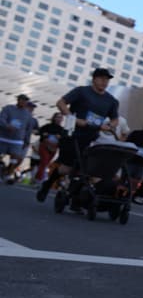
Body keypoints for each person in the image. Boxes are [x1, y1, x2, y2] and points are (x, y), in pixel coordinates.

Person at [36, 69, 120, 201]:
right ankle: (47, 185)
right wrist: (72, 118)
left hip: (92, 139)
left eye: (107, 79)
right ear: (94, 79)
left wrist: (110, 126)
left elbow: (115, 119)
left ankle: (77, 198)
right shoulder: (81, 91)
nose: (104, 82)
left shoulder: (111, 101)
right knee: (66, 169)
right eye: (101, 78)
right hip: (73, 134)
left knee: (88, 170)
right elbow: (61, 103)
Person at [0, 93, 37, 183]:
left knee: (15, 158)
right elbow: (1, 119)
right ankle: (2, 172)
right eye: (22, 100)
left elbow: (28, 129)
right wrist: (7, 126)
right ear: (18, 100)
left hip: (17, 140)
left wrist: (26, 141)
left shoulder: (28, 114)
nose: (23, 102)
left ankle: (8, 174)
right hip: (3, 137)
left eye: (25, 101)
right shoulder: (8, 108)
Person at [34, 112, 67, 182]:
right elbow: (38, 132)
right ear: (54, 118)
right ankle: (40, 179)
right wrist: (45, 135)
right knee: (44, 161)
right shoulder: (47, 126)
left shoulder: (62, 130)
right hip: (44, 146)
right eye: (58, 117)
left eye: (61, 117)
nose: (59, 119)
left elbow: (64, 140)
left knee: (45, 163)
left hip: (54, 148)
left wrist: (60, 138)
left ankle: (37, 177)